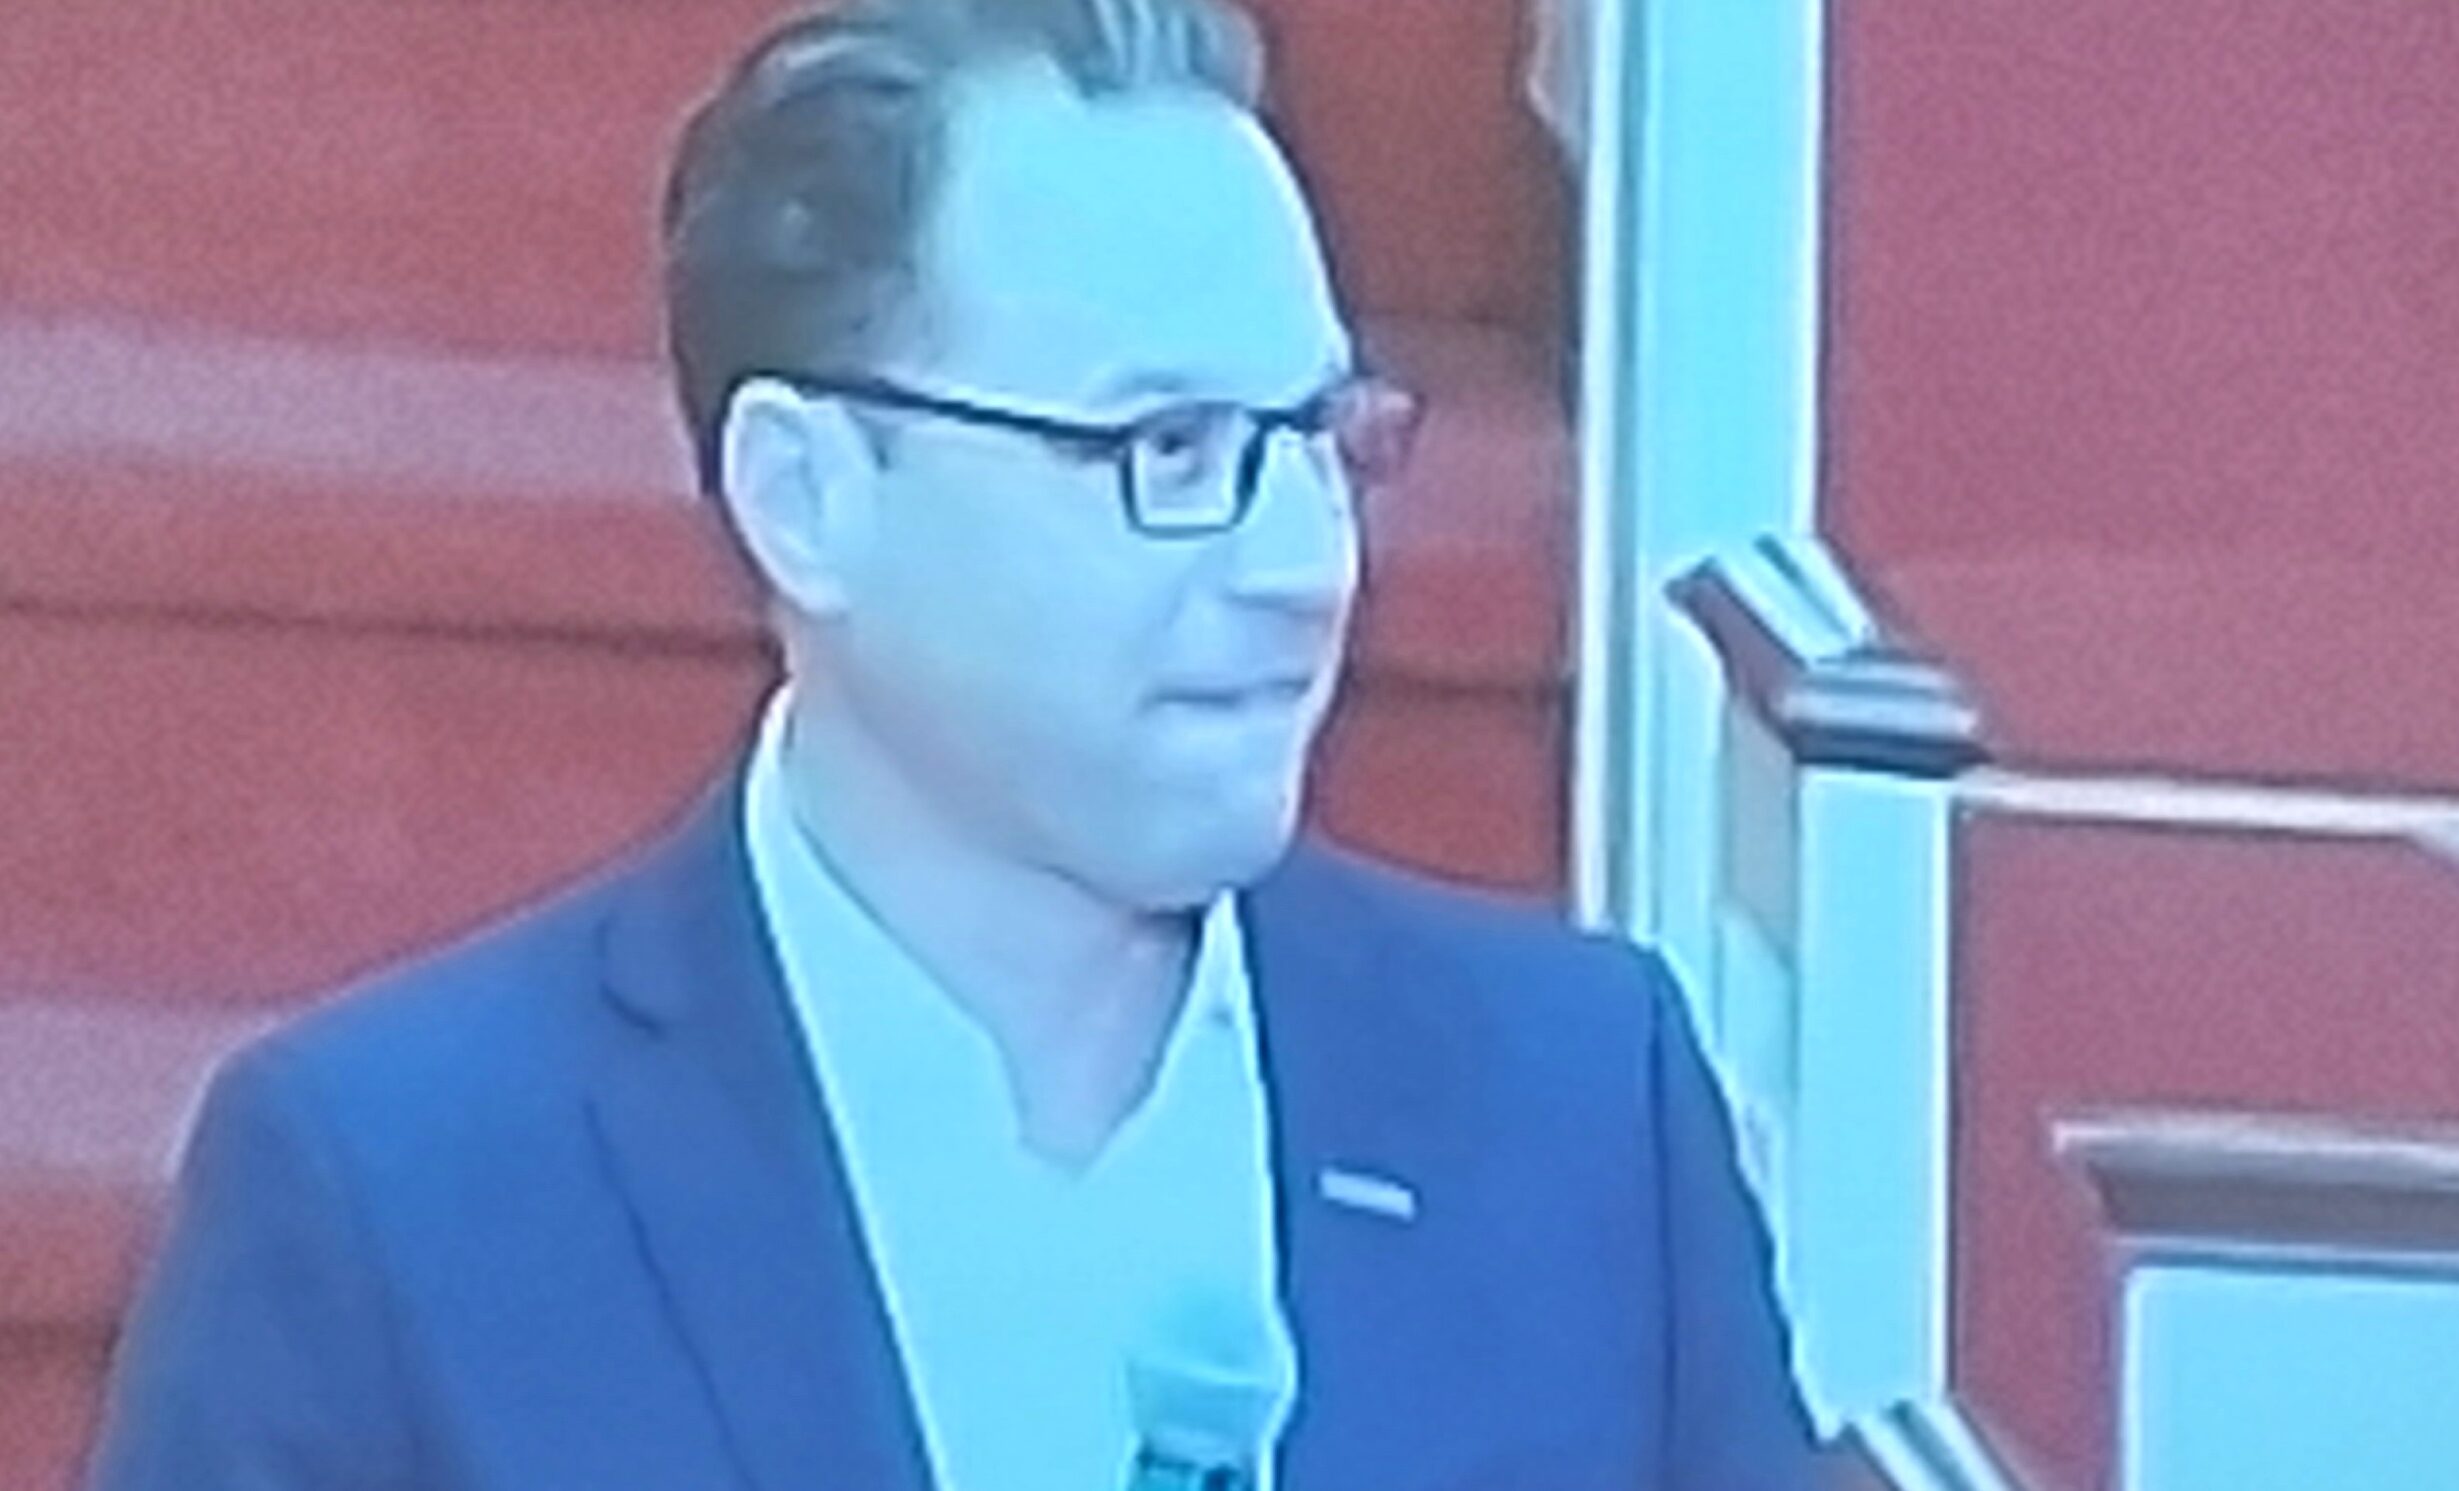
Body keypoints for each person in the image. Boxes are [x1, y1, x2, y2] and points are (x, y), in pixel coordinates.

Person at [84, 1, 1823, 1487]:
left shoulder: (1584, 1111)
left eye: (1319, 437)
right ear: (807, 498)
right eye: (1169, 448)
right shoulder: (401, 1196)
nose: (1303, 567)